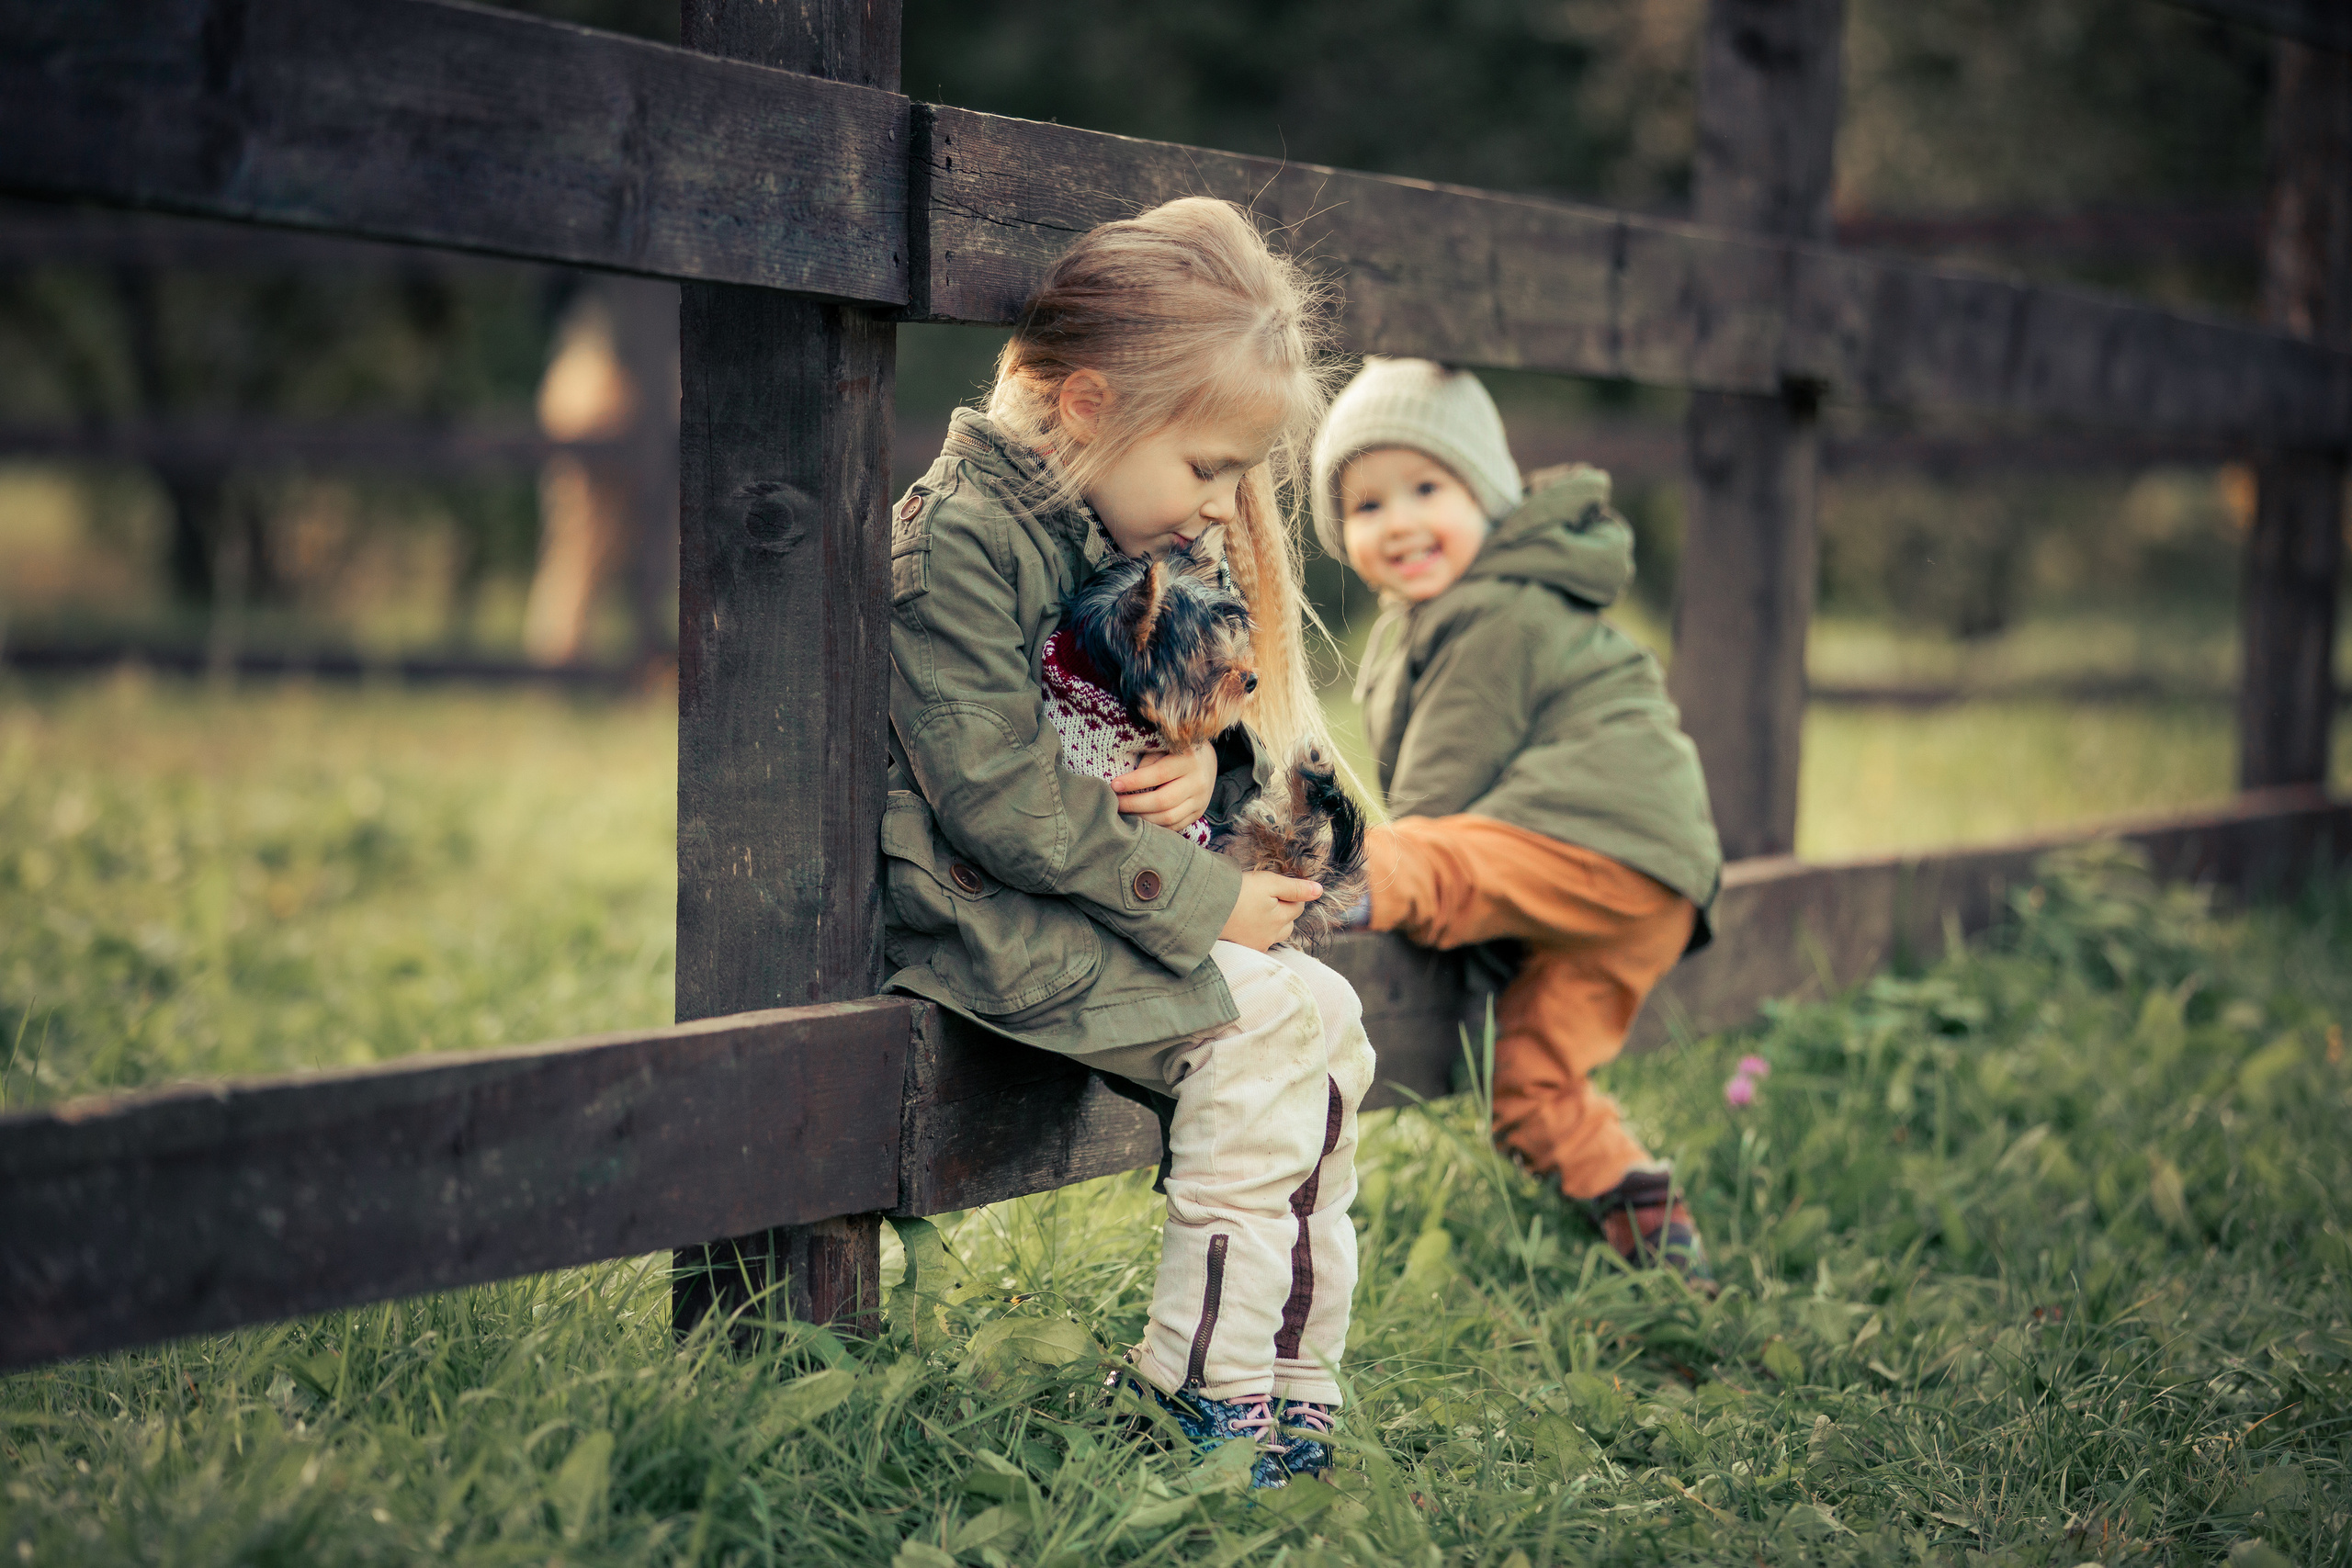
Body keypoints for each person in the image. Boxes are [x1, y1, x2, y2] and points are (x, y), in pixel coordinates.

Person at [883, 197, 1372, 1486]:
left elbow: (1164, 709)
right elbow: (995, 795)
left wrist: (1203, 761)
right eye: (1210, 467)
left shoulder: (1116, 525)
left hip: (1081, 904)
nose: (1223, 507)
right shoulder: (961, 541)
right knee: (1263, 1029)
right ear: (1090, 404)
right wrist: (1203, 896)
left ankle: (1287, 1390)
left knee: (1326, 1018)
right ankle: (1197, 1398)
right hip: (981, 917)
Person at [1311, 357, 1724, 1288]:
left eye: (1428, 488)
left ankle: (1319, 877)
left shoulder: (1497, 611)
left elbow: (1443, 799)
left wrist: (1396, 865)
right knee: (1529, 1083)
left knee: (1434, 860)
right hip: (1653, 889)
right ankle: (1655, 1233)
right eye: (1368, 505)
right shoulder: (1459, 609)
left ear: (1488, 494)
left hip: (1601, 839)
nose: (1399, 521)